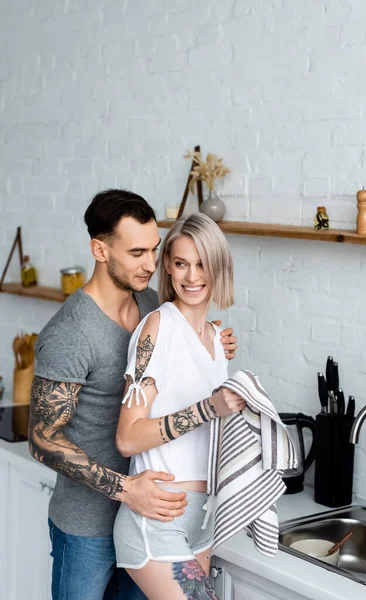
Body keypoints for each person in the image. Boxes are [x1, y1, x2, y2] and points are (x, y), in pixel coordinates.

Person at [28, 190, 237, 600]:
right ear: (99, 249)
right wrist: (127, 489)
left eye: (155, 250)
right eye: (137, 252)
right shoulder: (71, 333)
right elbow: (41, 440)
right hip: (87, 523)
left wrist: (214, 341)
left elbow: (177, 345)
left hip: (155, 509)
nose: (150, 264)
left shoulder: (150, 302)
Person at [114, 213, 245, 600]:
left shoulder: (217, 340)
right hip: (158, 522)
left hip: (203, 519)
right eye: (181, 263)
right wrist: (208, 408)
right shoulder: (157, 328)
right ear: (168, 267)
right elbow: (127, 437)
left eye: (202, 263)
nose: (191, 277)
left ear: (218, 265)